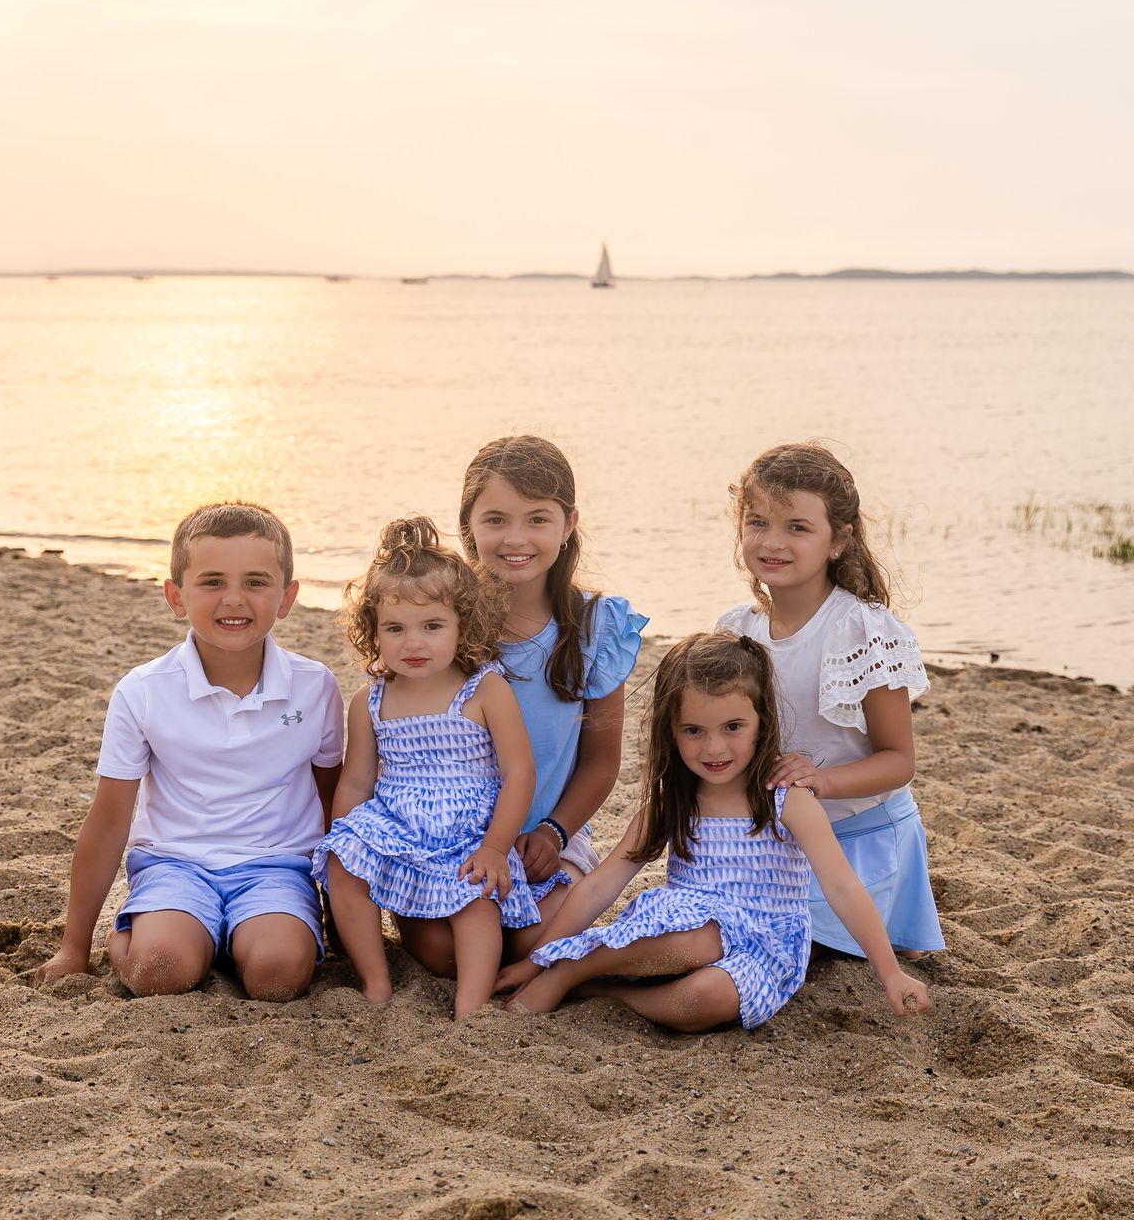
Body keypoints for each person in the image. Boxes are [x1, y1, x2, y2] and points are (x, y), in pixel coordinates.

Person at [495, 633, 930, 1031]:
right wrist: (538, 958)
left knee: (704, 1001)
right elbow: (602, 885)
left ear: (761, 721)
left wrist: (890, 972)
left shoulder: (787, 799)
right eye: (693, 731)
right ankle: (566, 967)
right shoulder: (670, 803)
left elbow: (841, 886)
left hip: (765, 941)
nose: (714, 748)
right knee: (704, 938)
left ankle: (596, 985)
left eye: (733, 727)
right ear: (672, 731)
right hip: (682, 931)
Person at [32, 502, 343, 1000]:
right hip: (175, 865)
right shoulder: (143, 690)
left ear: (287, 597)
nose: (234, 600)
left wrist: (343, 928)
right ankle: (141, 931)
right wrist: (74, 947)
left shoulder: (315, 686)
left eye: (256, 582)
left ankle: (235, 937)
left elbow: (334, 806)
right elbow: (110, 820)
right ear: (176, 596)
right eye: (213, 581)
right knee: (161, 972)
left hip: (276, 867)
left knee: (278, 977)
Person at [396, 436, 647, 974]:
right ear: (467, 527)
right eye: (496, 520)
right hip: (449, 839)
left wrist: (554, 832)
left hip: (546, 837)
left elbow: (602, 761)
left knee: (534, 944)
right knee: (445, 954)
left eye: (537, 519)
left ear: (569, 523)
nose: (516, 539)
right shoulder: (440, 625)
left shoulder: (595, 626)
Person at [715, 442, 944, 958]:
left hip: (858, 839)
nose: (773, 542)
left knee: (761, 947)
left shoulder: (861, 631)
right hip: (777, 836)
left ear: (839, 540)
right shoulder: (735, 629)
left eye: (797, 527)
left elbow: (899, 761)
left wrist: (822, 779)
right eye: (757, 523)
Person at [314, 516, 540, 1019]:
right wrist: (343, 839)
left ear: (463, 625)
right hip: (398, 823)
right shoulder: (371, 700)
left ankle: (471, 1007)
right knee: (342, 859)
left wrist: (496, 847)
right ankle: (376, 983)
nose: (413, 643)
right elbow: (356, 780)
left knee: (475, 896)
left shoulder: (484, 689)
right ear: (372, 631)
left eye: (432, 626)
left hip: (466, 830)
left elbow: (519, 772)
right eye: (394, 629)